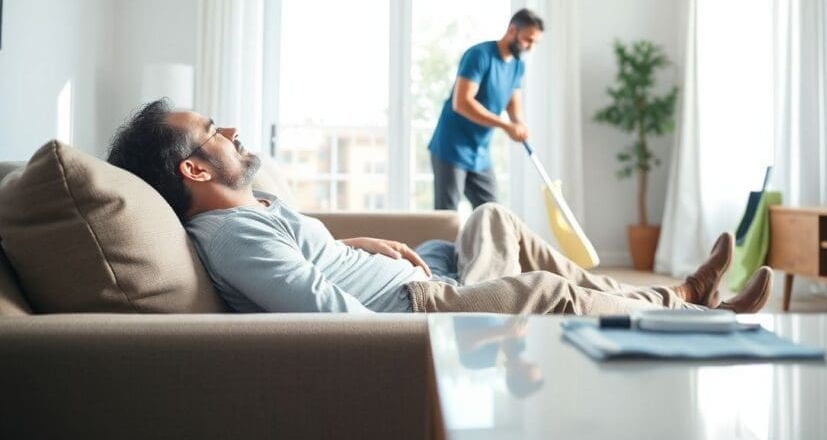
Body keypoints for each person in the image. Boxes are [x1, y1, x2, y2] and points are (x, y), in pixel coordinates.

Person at [107, 100, 774, 316]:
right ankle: (688, 304)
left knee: (490, 220)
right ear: (194, 168)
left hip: (425, 270)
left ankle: (677, 295)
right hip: (423, 306)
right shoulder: (228, 237)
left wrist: (363, 244)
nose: (229, 132)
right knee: (545, 290)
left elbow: (315, 255)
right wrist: (424, 296)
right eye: (212, 131)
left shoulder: (251, 208)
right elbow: (325, 311)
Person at [427, 9, 540, 211]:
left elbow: (513, 103)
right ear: (512, 30)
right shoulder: (479, 55)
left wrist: (519, 123)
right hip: (452, 147)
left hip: (480, 152)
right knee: (447, 215)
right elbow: (461, 103)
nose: (529, 47)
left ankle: (482, 244)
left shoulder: (517, 66)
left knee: (492, 213)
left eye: (534, 43)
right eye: (527, 40)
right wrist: (505, 125)